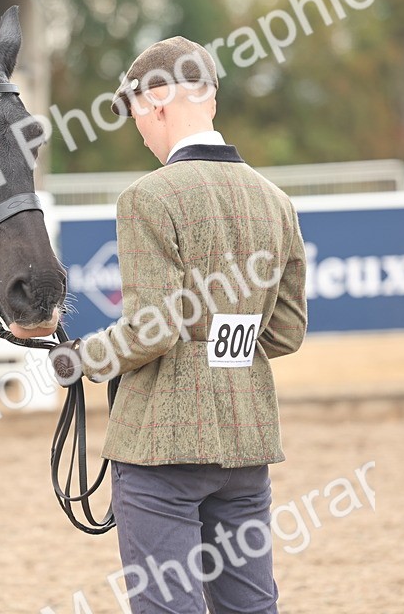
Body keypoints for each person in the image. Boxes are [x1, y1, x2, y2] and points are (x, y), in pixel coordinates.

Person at [51, 37, 308, 614]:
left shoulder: (147, 198)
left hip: (161, 445)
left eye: (137, 113)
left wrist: (81, 359)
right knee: (250, 605)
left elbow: (152, 331)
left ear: (158, 102)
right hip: (246, 440)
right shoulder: (276, 202)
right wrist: (220, 346)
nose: (139, 129)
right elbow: (286, 332)